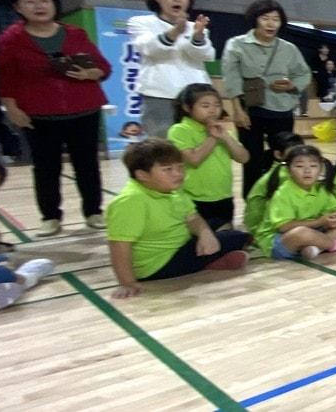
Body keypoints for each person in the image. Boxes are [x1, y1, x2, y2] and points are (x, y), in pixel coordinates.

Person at [0, 0, 111, 236]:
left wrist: (89, 73)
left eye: (44, 0)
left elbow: (103, 67)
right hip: (39, 114)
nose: (39, 6)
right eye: (30, 1)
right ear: (17, 8)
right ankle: (50, 216)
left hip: (83, 109)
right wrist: (11, 108)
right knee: (46, 167)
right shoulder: (11, 39)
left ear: (54, 4)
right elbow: (6, 78)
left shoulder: (75, 34)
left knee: (87, 164)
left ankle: (94, 211)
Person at [106, 139, 252, 299]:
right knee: (237, 237)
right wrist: (127, 283)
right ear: (142, 175)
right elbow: (119, 246)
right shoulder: (131, 201)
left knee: (218, 223)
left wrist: (205, 234)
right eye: (167, 169)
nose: (178, 174)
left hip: (180, 242)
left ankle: (209, 260)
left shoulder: (172, 190)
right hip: (160, 263)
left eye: (180, 167)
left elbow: (193, 217)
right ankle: (209, 262)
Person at [221, 0, 311, 195]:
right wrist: (237, 110)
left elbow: (304, 73)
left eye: (276, 19)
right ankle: (253, 201)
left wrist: (292, 85)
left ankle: (279, 199)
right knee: (251, 158)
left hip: (281, 109)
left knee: (283, 156)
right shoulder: (236, 44)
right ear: (255, 20)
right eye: (265, 18)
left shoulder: (289, 48)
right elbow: (231, 78)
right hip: (249, 109)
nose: (271, 24)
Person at [129, 0, 214, 137]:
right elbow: (149, 48)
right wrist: (175, 31)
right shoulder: (140, 22)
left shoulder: (196, 27)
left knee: (199, 143)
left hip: (196, 97)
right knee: (164, 148)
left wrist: (197, 37)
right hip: (160, 95)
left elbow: (207, 55)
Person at [256, 146, 336, 260]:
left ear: (320, 169)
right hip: (280, 241)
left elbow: (331, 211)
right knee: (301, 233)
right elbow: (284, 227)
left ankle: (317, 247)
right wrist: (319, 221)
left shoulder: (321, 189)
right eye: (299, 166)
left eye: (313, 166)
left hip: (313, 231)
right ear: (288, 170)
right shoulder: (283, 193)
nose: (307, 171)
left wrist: (333, 219)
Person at [167, 83, 250, 230]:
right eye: (205, 106)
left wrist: (225, 137)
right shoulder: (180, 130)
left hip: (224, 195)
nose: (212, 110)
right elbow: (194, 159)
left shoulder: (221, 131)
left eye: (217, 105)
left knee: (225, 239)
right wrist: (213, 138)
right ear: (187, 108)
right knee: (201, 241)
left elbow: (243, 158)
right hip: (194, 198)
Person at [242, 131, 306, 234]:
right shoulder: (283, 175)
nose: (299, 157)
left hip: (263, 226)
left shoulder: (283, 170)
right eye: (293, 153)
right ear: (278, 154)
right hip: (263, 230)